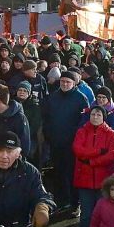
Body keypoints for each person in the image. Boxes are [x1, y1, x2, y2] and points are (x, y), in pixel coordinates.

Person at [72, 105, 114, 227]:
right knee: (86, 217)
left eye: (98, 115)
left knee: (102, 216)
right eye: (93, 114)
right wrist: (99, 151)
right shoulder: (81, 131)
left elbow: (113, 154)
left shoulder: (111, 134)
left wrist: (92, 161)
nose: (95, 117)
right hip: (84, 182)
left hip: (103, 182)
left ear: (104, 117)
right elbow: (78, 150)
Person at [43, 71, 90, 209]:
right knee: (58, 172)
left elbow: (84, 121)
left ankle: (73, 201)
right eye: (62, 81)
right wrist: (48, 134)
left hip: (72, 144)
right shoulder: (53, 97)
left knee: (72, 173)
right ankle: (60, 200)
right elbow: (46, 117)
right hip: (55, 142)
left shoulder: (81, 98)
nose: (64, 84)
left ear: (74, 83)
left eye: (67, 82)